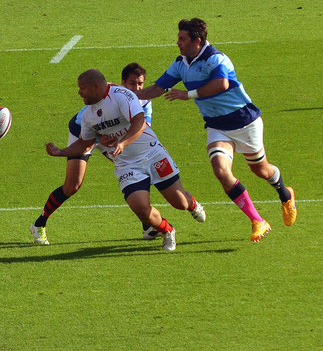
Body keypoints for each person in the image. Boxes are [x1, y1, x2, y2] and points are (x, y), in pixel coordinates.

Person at [135, 18, 296, 242]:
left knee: (261, 170)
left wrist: (187, 94)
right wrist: (125, 95)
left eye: (182, 38)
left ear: (197, 40)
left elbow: (222, 84)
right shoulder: (181, 63)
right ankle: (258, 220)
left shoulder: (216, 59)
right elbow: (156, 88)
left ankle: (285, 194)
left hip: (244, 122)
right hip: (217, 127)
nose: (178, 42)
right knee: (221, 171)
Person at [30, 63, 202, 245]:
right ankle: (39, 224)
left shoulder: (140, 102)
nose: (136, 89)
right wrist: (79, 146)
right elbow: (86, 139)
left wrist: (118, 140)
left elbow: (141, 129)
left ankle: (149, 221)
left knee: (132, 166)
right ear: (122, 83)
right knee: (73, 185)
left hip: (118, 141)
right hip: (83, 132)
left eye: (140, 84)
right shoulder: (101, 103)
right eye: (132, 84)